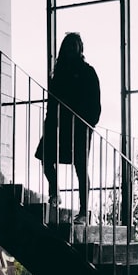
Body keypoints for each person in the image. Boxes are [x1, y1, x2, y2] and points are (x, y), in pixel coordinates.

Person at [35, 32, 101, 224]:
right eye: (68, 45)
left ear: (80, 49)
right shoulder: (59, 74)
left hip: (80, 128)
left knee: (80, 167)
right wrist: (48, 125)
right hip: (59, 127)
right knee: (46, 158)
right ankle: (54, 193)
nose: (71, 49)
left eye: (74, 45)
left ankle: (83, 212)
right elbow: (52, 103)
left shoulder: (88, 72)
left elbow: (95, 104)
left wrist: (88, 123)